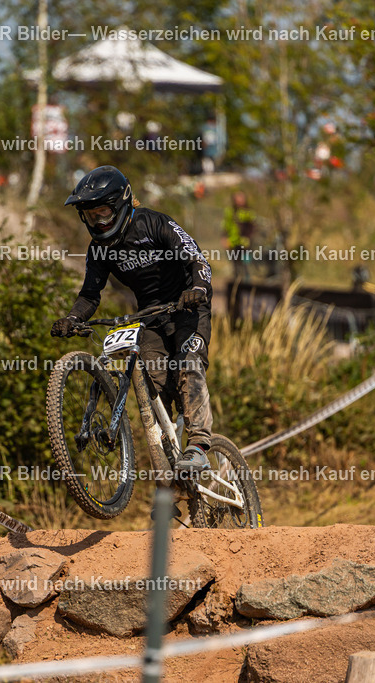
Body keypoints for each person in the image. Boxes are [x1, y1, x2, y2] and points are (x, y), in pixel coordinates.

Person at [51, 166, 214, 472]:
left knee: (188, 364)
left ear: (122, 203)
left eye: (103, 212)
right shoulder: (99, 250)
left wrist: (197, 288)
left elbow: (197, 259)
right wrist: (72, 318)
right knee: (154, 386)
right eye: (90, 216)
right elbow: (90, 295)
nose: (99, 222)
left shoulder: (154, 222)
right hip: (150, 315)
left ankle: (199, 445)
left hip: (188, 306)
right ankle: (172, 467)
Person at [223, 191, 256, 281]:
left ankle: (247, 284)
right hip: (233, 243)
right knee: (236, 267)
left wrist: (248, 239)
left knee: (246, 266)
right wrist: (225, 238)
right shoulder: (230, 211)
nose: (239, 200)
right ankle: (237, 284)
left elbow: (252, 227)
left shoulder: (248, 212)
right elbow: (226, 226)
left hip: (246, 245)